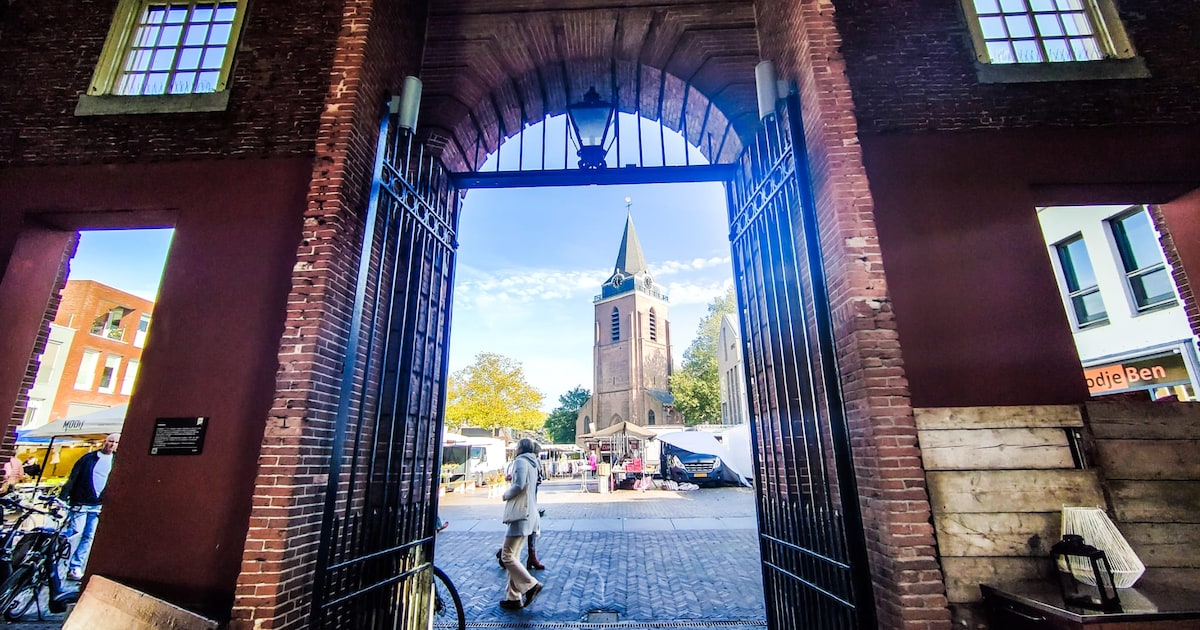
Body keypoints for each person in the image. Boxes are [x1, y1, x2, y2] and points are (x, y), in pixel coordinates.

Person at [60, 433, 119, 581]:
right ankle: (61, 560)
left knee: (89, 536)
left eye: (116, 442)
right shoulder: (88, 458)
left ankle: (75, 567)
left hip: (97, 505)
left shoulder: (117, 461)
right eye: (110, 441)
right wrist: (63, 498)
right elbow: (73, 478)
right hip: (81, 503)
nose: (112, 445)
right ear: (105, 442)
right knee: (76, 532)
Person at [497, 438, 544, 610]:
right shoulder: (534, 463)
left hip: (521, 514)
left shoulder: (521, 461)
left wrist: (506, 494)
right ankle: (513, 597)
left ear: (520, 448)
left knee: (506, 555)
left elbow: (519, 485)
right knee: (514, 556)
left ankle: (531, 585)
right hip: (529, 512)